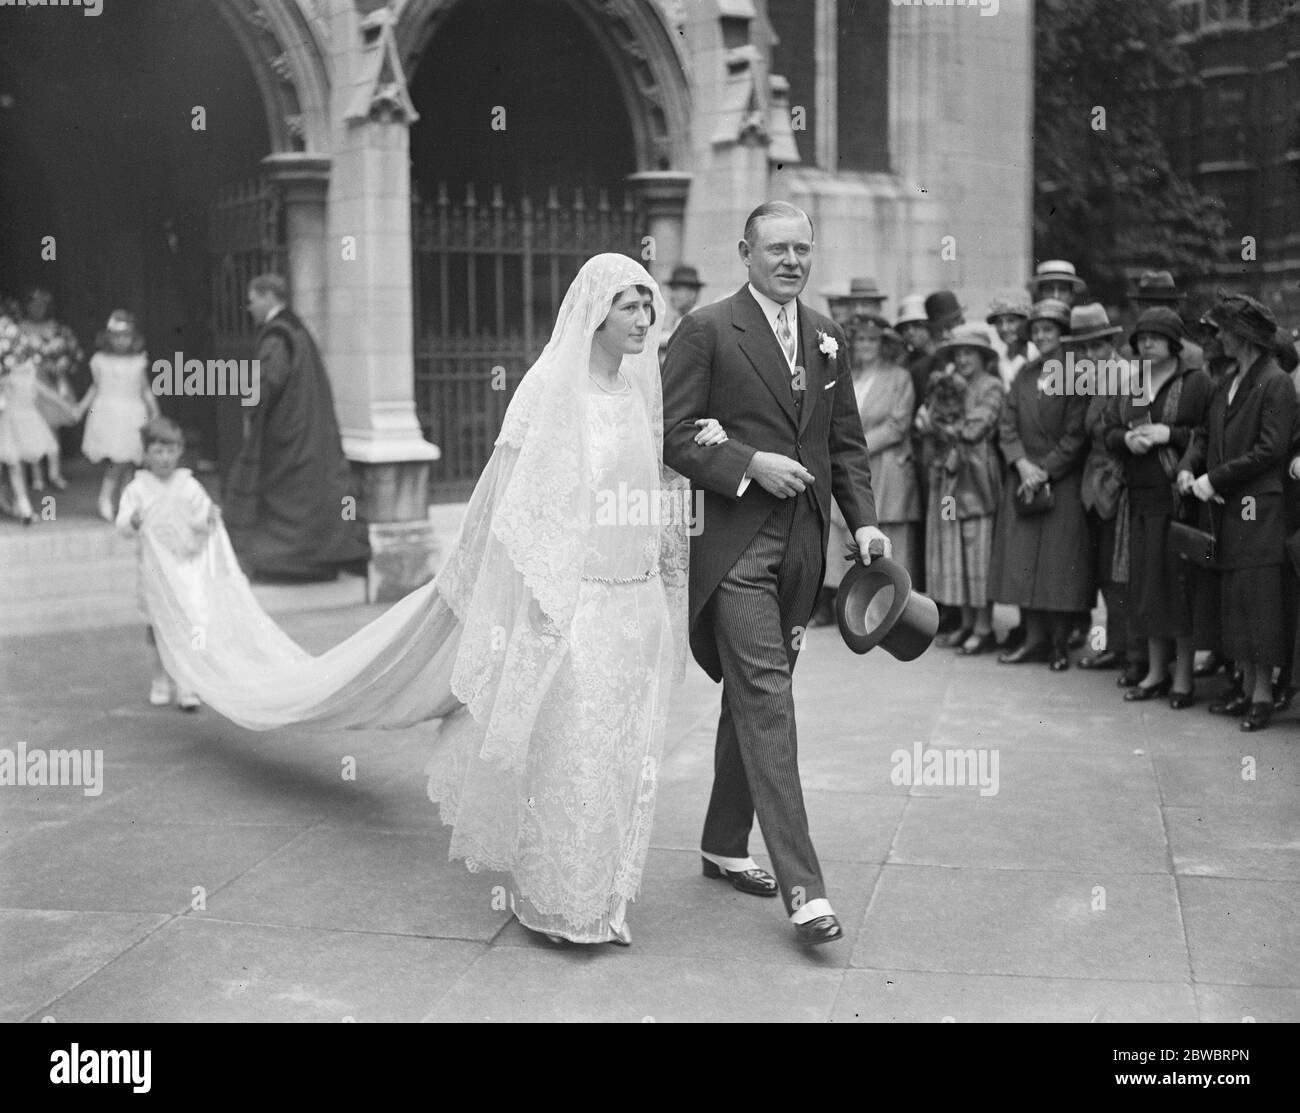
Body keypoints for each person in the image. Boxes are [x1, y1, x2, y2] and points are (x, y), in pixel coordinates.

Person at [139, 254, 716, 946]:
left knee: (620, 755)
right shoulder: (545, 388)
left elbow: (641, 493)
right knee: (571, 752)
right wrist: (542, 595)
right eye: (631, 306)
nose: (645, 320)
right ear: (594, 312)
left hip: (632, 605)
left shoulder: (635, 392)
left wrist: (660, 569)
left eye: (649, 306)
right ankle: (560, 904)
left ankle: (603, 898)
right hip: (575, 602)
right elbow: (511, 502)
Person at [661, 200, 887, 947]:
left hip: (802, 549)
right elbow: (676, 435)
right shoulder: (705, 330)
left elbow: (845, 442)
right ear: (745, 252)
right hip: (732, 548)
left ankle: (724, 841)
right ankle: (806, 889)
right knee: (769, 700)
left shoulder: (826, 335)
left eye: (801, 249)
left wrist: (865, 524)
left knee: (753, 697)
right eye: (776, 249)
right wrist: (748, 463)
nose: (791, 261)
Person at [1180, 293, 1297, 732]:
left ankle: (1263, 696)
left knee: (1260, 599)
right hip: (1233, 507)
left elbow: (1271, 449)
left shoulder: (1275, 381)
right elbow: (1206, 434)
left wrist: (1216, 478)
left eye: (1225, 330)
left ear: (1243, 335)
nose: (1218, 337)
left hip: (1260, 508)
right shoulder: (1233, 380)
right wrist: (1192, 469)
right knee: (1238, 599)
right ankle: (1247, 687)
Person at [224, 274, 370, 581]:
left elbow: (268, 382)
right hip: (308, 429)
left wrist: (248, 407)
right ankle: (316, 562)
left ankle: (288, 565)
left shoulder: (278, 335)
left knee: (286, 496)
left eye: (251, 300)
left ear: (267, 297)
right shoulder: (298, 329)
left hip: (289, 434)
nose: (249, 308)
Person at [1103, 307, 1213, 708]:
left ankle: (1183, 679)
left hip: (1176, 497)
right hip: (1139, 495)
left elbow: (1206, 436)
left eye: (1155, 336)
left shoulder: (1196, 382)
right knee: (1147, 586)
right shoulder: (1132, 383)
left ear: (1173, 343)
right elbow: (1108, 429)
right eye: (1141, 337)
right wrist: (1125, 440)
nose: (1146, 343)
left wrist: (1171, 433)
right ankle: (1154, 672)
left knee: (1177, 587)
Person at [989, 297, 1091, 671]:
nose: (1043, 335)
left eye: (1050, 329)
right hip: (1024, 475)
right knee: (1022, 560)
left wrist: (1044, 470)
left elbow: (1077, 433)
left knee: (1058, 565)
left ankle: (1060, 642)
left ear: (1063, 333)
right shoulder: (1025, 374)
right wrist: (1021, 464)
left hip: (1060, 480)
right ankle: (1032, 638)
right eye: (1037, 329)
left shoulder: (1076, 371)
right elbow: (1007, 424)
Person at [819, 313, 921, 623]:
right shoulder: (846, 373)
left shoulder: (899, 377)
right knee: (847, 534)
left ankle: (889, 611)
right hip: (852, 467)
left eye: (872, 340)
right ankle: (852, 609)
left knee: (888, 533)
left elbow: (898, 424)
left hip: (886, 466)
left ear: (884, 344)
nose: (865, 345)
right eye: (860, 339)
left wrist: (855, 444)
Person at [915, 324, 1004, 655]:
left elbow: (976, 426)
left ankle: (983, 626)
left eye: (969, 352)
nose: (963, 359)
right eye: (958, 353)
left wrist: (933, 424)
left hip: (975, 476)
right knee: (952, 544)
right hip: (947, 476)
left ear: (983, 357)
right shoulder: (947, 385)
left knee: (976, 548)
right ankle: (967, 623)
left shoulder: (991, 386)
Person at [1070, 304, 1147, 687]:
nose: (1089, 356)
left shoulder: (1126, 376)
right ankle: (1116, 645)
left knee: (1122, 571)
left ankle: (1133, 653)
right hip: (1094, 483)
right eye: (1083, 349)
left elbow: (1136, 435)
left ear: (1110, 344)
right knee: (1104, 569)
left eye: (1096, 347)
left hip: (1120, 482)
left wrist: (1119, 473)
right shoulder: (1089, 378)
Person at [116, 417, 213, 711]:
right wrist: (130, 521)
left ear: (180, 451)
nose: (165, 458)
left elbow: (201, 518)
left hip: (186, 566)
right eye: (157, 452)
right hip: (155, 570)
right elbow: (123, 523)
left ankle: (188, 682)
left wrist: (208, 518)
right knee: (157, 626)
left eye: (170, 451)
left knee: (190, 623)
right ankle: (160, 679)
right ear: (146, 455)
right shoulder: (138, 488)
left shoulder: (189, 485)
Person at [78, 310, 159, 522]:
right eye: (117, 337)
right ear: (108, 338)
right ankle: (105, 498)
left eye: (126, 336)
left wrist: (155, 411)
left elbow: (146, 390)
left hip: (133, 412)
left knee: (130, 461)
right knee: (118, 460)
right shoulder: (100, 360)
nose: (122, 341)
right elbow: (95, 387)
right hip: (109, 413)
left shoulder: (138, 361)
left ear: (133, 338)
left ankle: (126, 503)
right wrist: (80, 407)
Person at [16, 287, 84, 493]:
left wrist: (60, 364)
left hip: (51, 381)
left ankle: (55, 473)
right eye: (33, 305)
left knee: (52, 429)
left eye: (41, 306)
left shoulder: (56, 328)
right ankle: (36, 476)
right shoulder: (21, 328)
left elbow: (72, 353)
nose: (37, 309)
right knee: (31, 429)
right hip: (29, 382)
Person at [986, 293, 1034, 390]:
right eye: (999, 322)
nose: (1004, 328)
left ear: (1025, 322)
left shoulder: (1037, 354)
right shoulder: (998, 362)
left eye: (1011, 321)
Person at [658, 264, 704, 367]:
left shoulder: (697, 319)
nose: (672, 295)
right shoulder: (678, 319)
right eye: (672, 289)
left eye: (677, 289)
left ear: (693, 293)